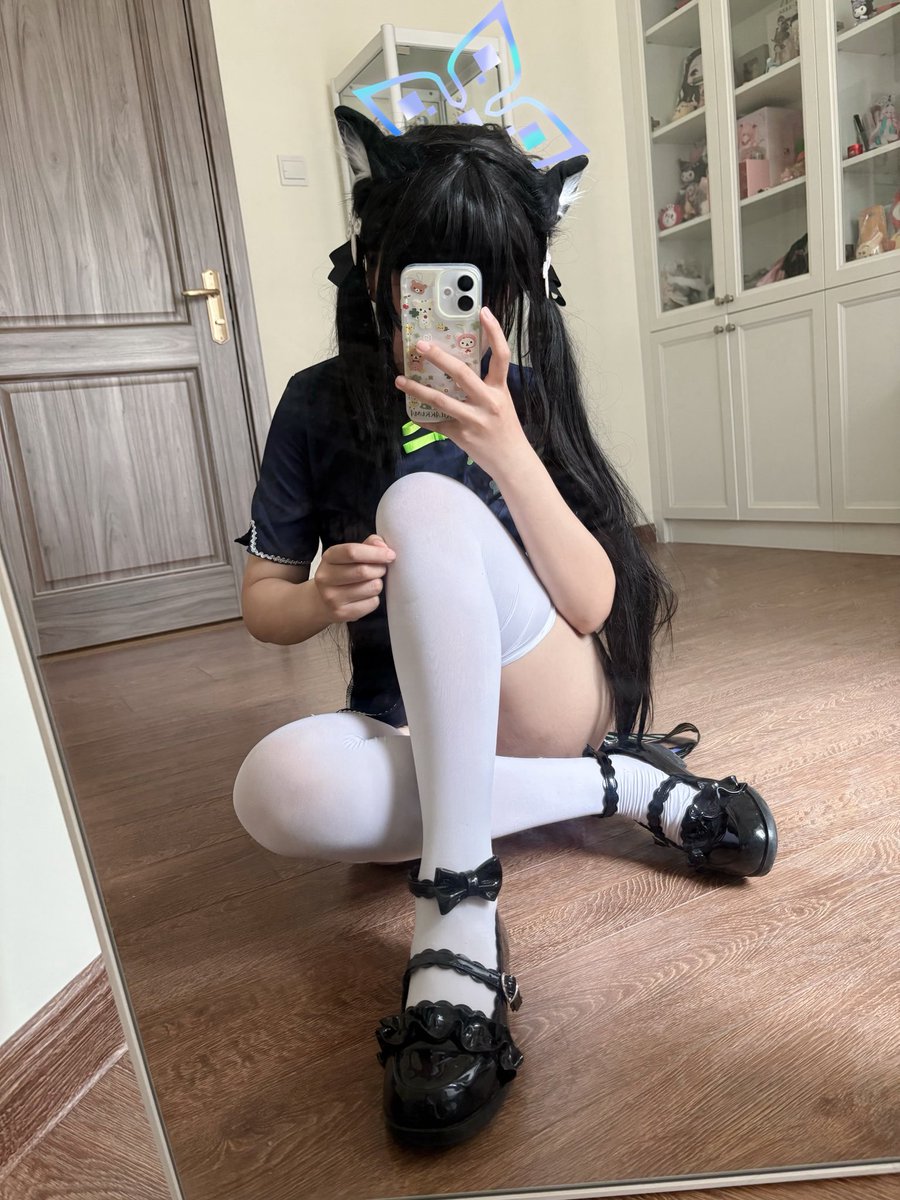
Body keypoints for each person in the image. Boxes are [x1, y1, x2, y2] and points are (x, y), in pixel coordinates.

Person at [232, 106, 778, 1149]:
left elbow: (593, 603)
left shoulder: (524, 396)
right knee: (272, 790)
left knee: (421, 503)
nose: (452, 307)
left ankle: (456, 907)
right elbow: (265, 600)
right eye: (428, 277)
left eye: (479, 284)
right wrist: (319, 596)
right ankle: (623, 788)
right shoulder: (313, 404)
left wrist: (510, 452)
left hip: (543, 699)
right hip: (412, 720)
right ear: (377, 266)